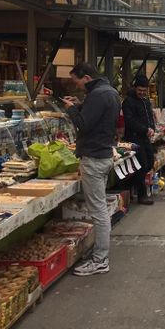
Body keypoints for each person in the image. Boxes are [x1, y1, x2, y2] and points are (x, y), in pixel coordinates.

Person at [63, 62, 121, 276]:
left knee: (99, 212)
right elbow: (99, 119)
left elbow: (84, 125)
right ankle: (99, 255)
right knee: (100, 210)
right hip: (103, 154)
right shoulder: (110, 91)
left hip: (94, 158)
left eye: (76, 81)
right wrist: (80, 105)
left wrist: (71, 109)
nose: (76, 85)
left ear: (86, 77)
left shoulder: (97, 94)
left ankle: (100, 260)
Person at [122, 75, 155, 205]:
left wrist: (152, 128)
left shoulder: (146, 101)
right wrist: (145, 129)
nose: (142, 92)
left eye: (144, 90)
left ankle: (130, 186)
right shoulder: (128, 102)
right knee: (142, 165)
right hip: (134, 138)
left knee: (150, 162)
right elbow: (129, 121)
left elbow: (150, 117)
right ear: (135, 88)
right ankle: (142, 195)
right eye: (140, 90)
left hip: (145, 137)